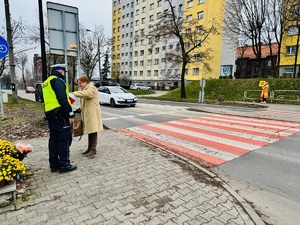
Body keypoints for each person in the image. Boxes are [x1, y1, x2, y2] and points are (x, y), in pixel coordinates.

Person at [42, 64, 77, 173]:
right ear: (60, 71)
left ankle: (54, 164)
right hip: (60, 114)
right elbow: (62, 98)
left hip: (50, 114)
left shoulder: (46, 82)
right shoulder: (57, 81)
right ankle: (64, 164)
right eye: (64, 72)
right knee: (64, 139)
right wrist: (70, 113)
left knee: (53, 139)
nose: (64, 74)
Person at [72, 75, 103, 157]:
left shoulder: (92, 88)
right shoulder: (85, 89)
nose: (79, 85)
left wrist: (73, 94)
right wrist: (79, 108)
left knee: (93, 131)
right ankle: (89, 148)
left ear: (86, 81)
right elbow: (84, 101)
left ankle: (93, 149)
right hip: (88, 113)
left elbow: (87, 95)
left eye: (80, 83)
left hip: (92, 113)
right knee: (90, 131)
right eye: (78, 83)